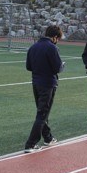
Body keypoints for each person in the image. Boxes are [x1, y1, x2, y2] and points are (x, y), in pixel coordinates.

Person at [24, 25, 64, 153]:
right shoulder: (52, 48)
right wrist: (62, 66)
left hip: (36, 82)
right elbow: (57, 68)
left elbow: (28, 66)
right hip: (48, 83)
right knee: (42, 114)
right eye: (58, 38)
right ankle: (31, 143)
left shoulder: (33, 47)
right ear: (55, 37)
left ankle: (47, 137)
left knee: (42, 111)